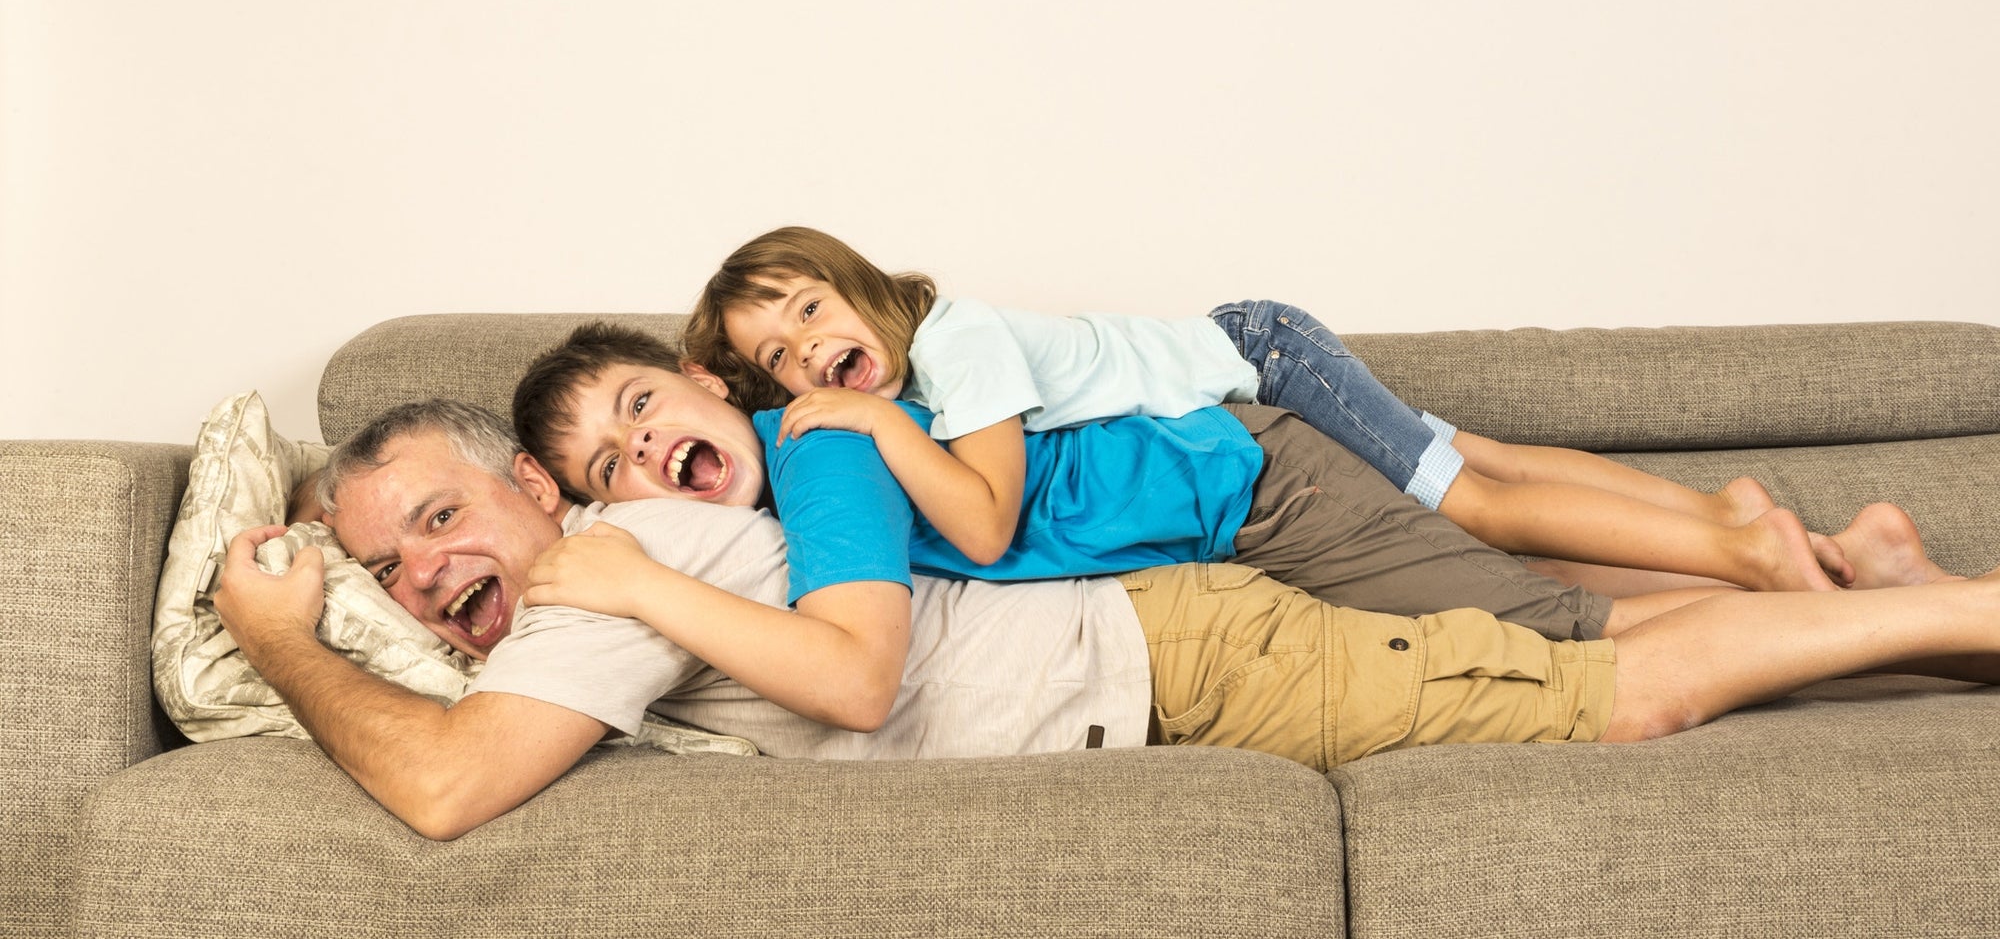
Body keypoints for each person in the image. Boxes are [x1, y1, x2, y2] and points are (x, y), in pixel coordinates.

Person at [215, 397, 2000, 844]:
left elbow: (447, 796)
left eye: (443, 519)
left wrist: (291, 639)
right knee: (1560, 644)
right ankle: (1904, 604)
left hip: (1188, 638)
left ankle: (1971, 610)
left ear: (534, 490)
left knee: (1617, 690)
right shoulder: (592, 571)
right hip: (1166, 633)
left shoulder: (597, 575)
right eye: (384, 572)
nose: (426, 577)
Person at [512, 323, 1935, 649]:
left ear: (712, 384)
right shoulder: (801, 472)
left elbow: (982, 530)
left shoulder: (841, 436)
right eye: (609, 471)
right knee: (1516, 550)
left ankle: (1836, 594)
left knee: (1552, 634)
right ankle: (1818, 556)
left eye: (647, 408)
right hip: (1235, 487)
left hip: (1252, 479)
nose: (646, 456)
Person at [681, 227, 1856, 593]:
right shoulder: (932, 368)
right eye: (776, 359)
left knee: (1478, 507)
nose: (807, 355)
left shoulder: (953, 345)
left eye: (807, 310)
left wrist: (883, 430)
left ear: (855, 282)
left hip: (1262, 361)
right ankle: (1725, 506)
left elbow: (983, 526)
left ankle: (1742, 553)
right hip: (1255, 341)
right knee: (1475, 452)